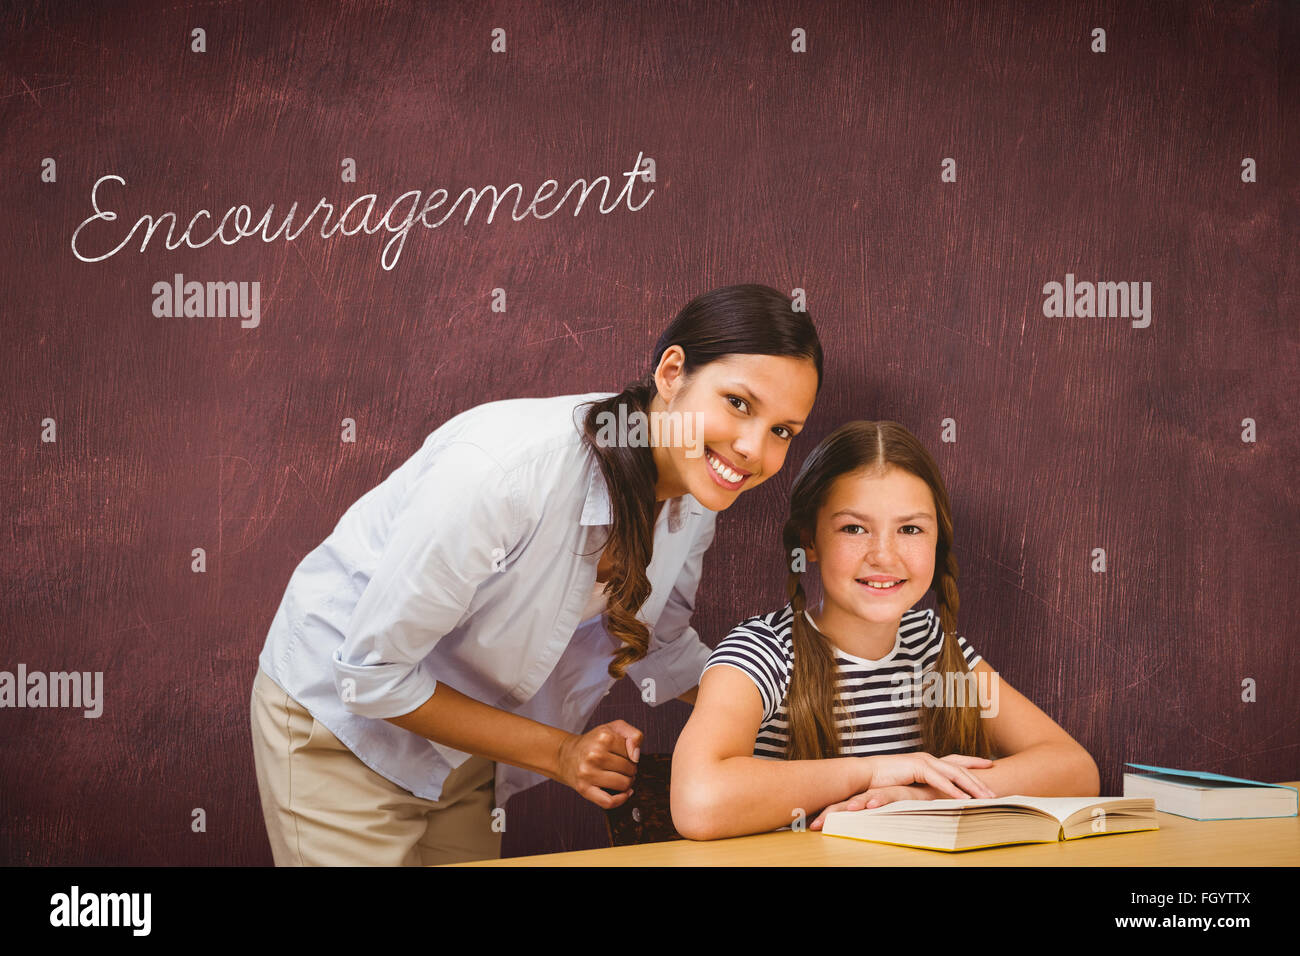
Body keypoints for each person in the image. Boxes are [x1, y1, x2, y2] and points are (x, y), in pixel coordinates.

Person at [250, 283, 823, 864]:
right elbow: (371, 676)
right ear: (672, 372)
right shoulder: (507, 474)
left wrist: (823, 714)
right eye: (739, 403)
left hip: (462, 736)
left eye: (782, 431)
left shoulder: (697, 495)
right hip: (341, 719)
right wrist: (561, 753)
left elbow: (661, 645)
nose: (753, 449)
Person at [670, 420, 1101, 841]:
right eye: (854, 528)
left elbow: (1075, 769)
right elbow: (698, 802)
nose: (883, 555)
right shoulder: (761, 652)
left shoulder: (932, 646)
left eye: (910, 529)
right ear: (811, 541)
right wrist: (875, 771)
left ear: (937, 541)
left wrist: (924, 793)